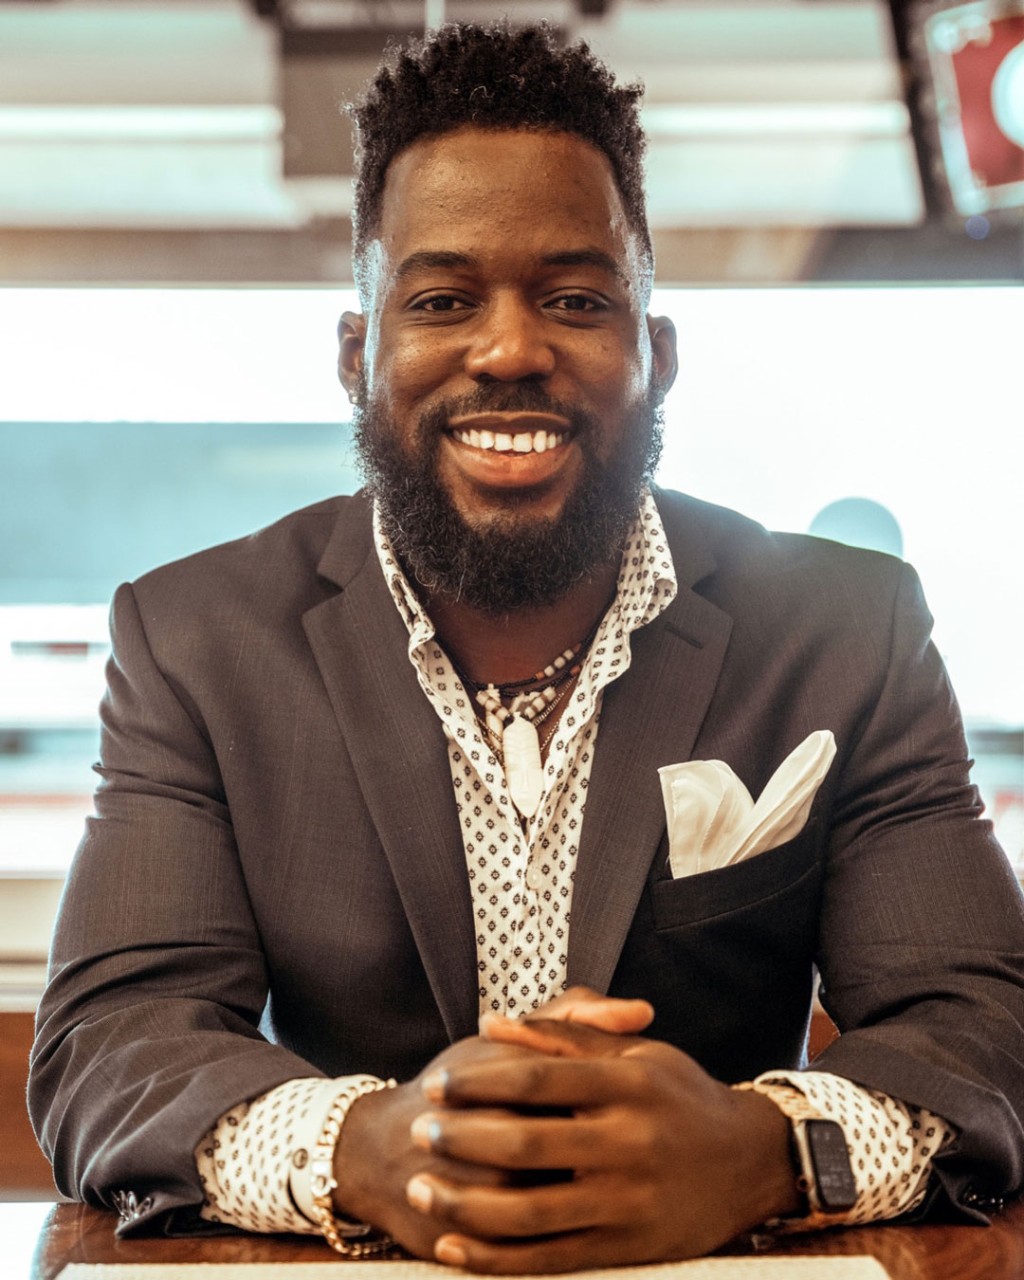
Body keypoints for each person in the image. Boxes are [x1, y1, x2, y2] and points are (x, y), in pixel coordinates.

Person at [29, 21, 1024, 1273]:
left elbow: (983, 1023)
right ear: (360, 357)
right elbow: (111, 1042)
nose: (508, 351)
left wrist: (763, 1148)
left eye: (573, 298)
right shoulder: (195, 640)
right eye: (442, 300)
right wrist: (365, 1148)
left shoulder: (842, 631)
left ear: (653, 355)